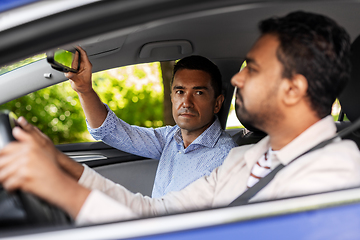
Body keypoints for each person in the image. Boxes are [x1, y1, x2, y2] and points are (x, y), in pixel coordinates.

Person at [1, 11, 360, 225]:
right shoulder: (245, 158)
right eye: (179, 91)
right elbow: (155, 212)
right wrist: (62, 168)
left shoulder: (336, 174)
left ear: (293, 89)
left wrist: (64, 192)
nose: (237, 78)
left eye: (253, 69)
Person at [66, 52, 236, 197]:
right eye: (180, 92)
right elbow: (111, 131)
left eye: (198, 92)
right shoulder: (170, 138)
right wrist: (84, 90)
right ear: (172, 97)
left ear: (217, 103)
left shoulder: (225, 157)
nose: (186, 102)